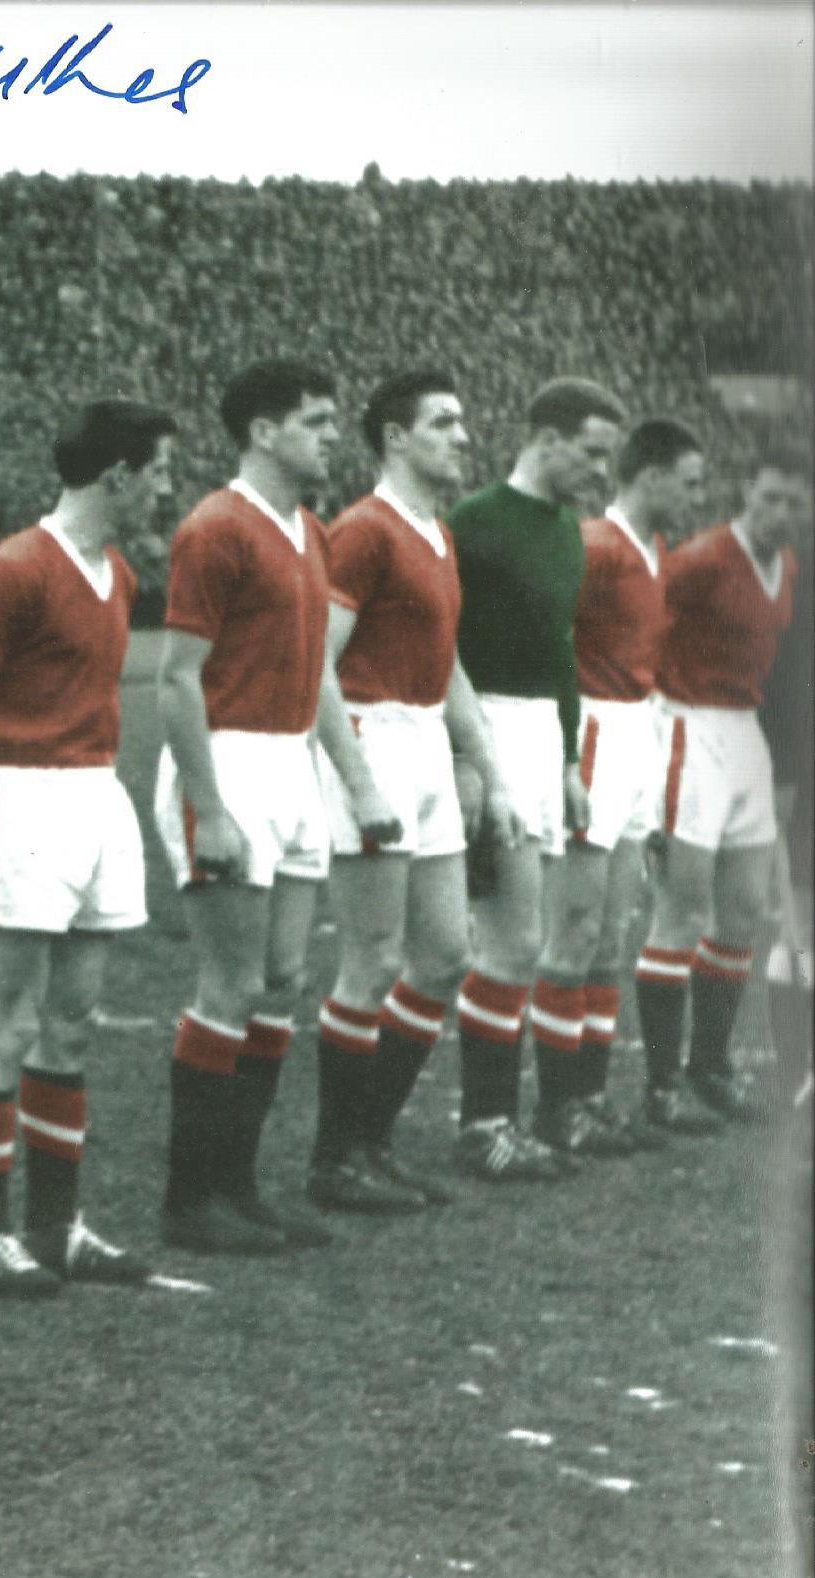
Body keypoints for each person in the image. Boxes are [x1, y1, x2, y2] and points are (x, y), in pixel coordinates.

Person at [0, 398, 177, 1294]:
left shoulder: (113, 573)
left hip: (96, 796)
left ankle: (55, 1225)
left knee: (71, 1022)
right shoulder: (14, 569)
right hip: (24, 796)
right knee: (6, 1023)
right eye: (156, 471)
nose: (164, 490)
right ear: (117, 474)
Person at [304, 372, 519, 1214]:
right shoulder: (364, 530)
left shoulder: (433, 532)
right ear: (395, 437)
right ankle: (334, 1158)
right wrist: (357, 780)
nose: (463, 435)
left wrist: (486, 770)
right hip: (373, 740)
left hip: (426, 737)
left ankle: (370, 1140)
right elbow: (318, 660)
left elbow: (449, 660)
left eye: (462, 419)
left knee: (444, 956)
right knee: (372, 958)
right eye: (443, 421)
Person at [149, 358, 340, 1256]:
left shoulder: (309, 528)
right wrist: (208, 804)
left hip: (292, 762)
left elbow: (322, 672)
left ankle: (239, 1185)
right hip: (228, 760)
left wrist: (352, 776)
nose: (332, 434)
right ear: (264, 431)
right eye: (316, 419)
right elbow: (177, 678)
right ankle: (191, 1200)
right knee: (229, 981)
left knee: (282, 981)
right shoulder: (215, 526)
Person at [446, 377, 626, 1181]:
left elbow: (559, 652)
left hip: (542, 743)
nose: (599, 471)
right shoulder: (474, 523)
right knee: (510, 938)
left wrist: (567, 762)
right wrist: (468, 757)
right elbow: (438, 645)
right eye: (591, 452)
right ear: (545, 438)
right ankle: (483, 1123)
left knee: (527, 939)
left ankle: (501, 1120)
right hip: (483, 727)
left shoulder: (568, 534)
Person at [637, 443, 810, 1122]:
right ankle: (661, 1086)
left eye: (793, 503)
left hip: (747, 736)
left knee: (740, 913)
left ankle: (709, 1067)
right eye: (768, 497)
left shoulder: (789, 566)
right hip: (689, 728)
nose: (779, 513)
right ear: (746, 491)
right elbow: (641, 634)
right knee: (679, 913)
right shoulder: (702, 558)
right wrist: (652, 739)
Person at [550, 420, 710, 1145]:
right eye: (689, 481)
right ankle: (559, 1106)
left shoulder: (654, 551)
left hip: (640, 733)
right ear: (649, 477)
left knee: (613, 931)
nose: (697, 496)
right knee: (577, 927)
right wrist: (564, 754)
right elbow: (550, 642)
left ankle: (589, 1099)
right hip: (596, 732)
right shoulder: (595, 546)